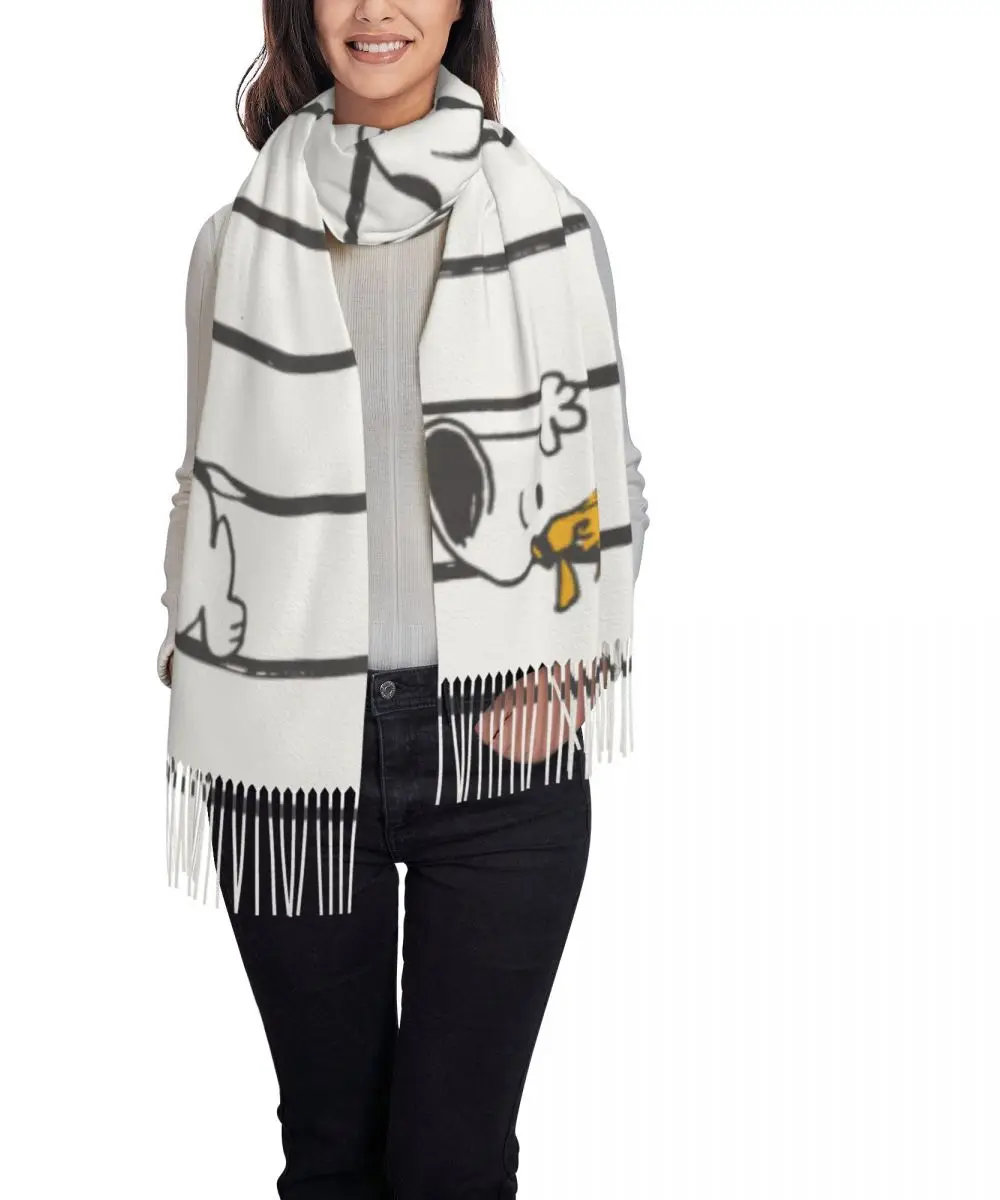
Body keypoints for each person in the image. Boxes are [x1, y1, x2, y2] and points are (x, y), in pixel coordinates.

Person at [158, 2, 649, 1195]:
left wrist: (577, 668)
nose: (377, 9)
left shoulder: (554, 224)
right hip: (288, 758)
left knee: (452, 1167)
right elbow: (205, 485)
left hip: (498, 750)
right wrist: (196, 657)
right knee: (329, 1157)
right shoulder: (233, 242)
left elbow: (612, 479)